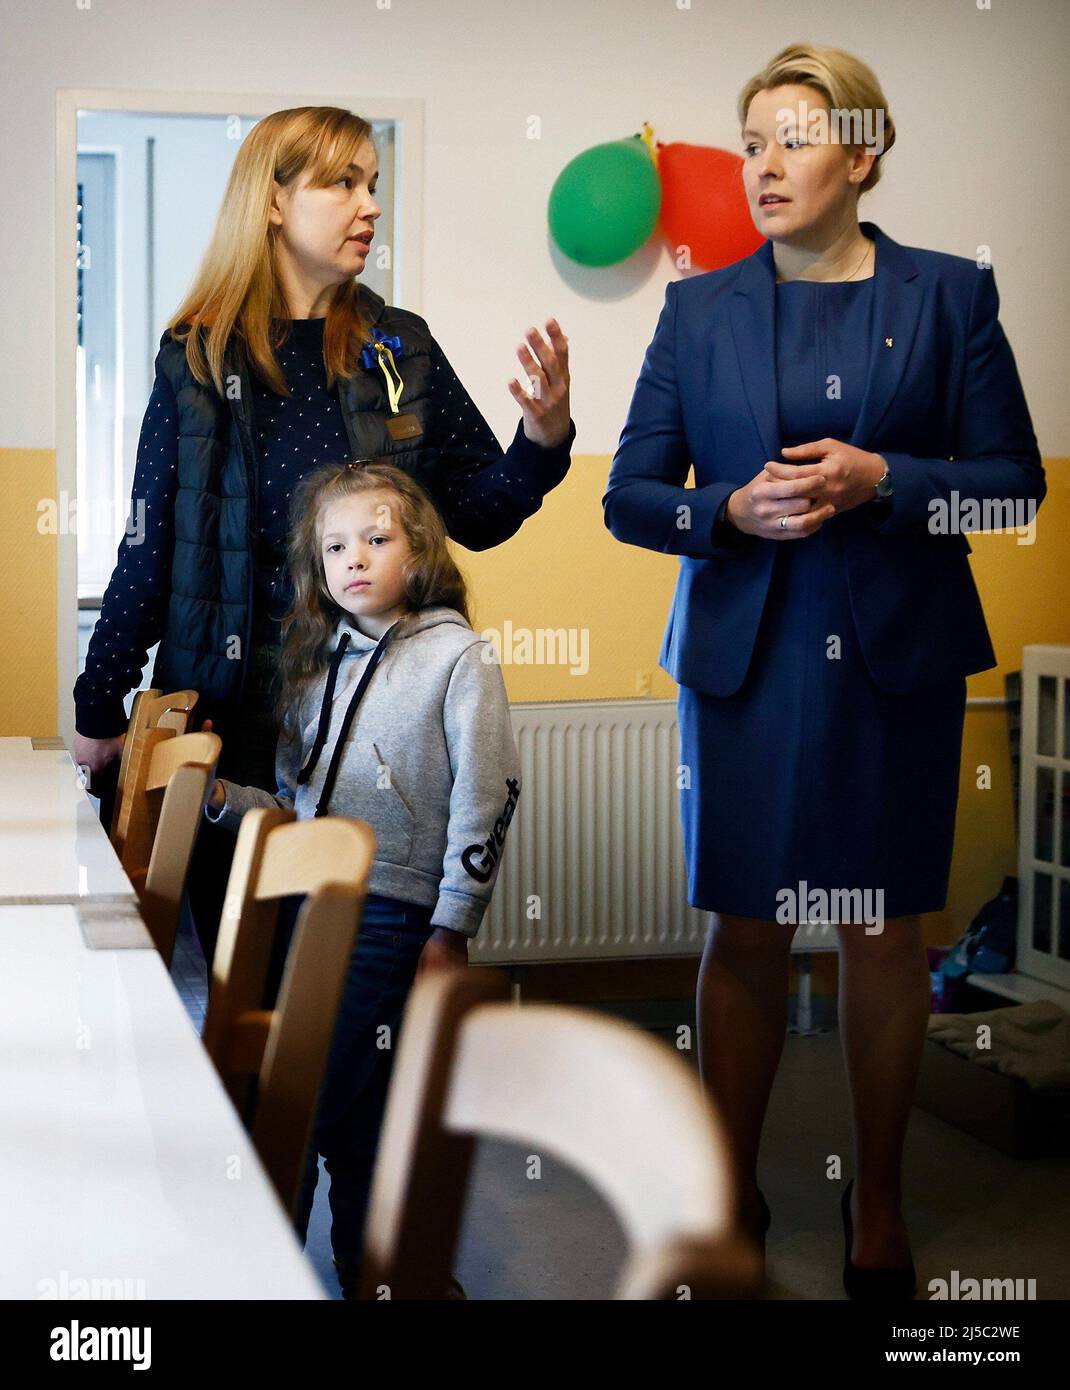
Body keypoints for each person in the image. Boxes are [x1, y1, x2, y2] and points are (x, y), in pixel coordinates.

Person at [602, 42, 1044, 1299]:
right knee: (741, 928)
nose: (762, 163)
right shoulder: (698, 309)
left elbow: (1008, 493)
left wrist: (886, 482)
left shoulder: (953, 296)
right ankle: (722, 1191)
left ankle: (880, 1207)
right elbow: (631, 496)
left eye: (792, 136)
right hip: (741, 657)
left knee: (875, 927)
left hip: (892, 664)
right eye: (749, 140)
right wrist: (725, 513)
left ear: (862, 152)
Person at [72, 105, 571, 966]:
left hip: (375, 732)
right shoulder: (193, 358)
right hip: (228, 722)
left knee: (352, 996)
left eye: (372, 184)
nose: (368, 205)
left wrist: (543, 440)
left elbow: (479, 517)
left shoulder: (398, 347)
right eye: (341, 183)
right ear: (272, 201)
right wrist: (98, 702)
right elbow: (148, 547)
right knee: (242, 988)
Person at [202, 459, 520, 1298]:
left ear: (420, 551)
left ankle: (330, 1268)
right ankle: (383, 1271)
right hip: (313, 909)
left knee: (318, 1096)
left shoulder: (459, 658)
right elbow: (295, 806)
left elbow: (488, 797)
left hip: (392, 913)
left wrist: (453, 925)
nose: (354, 559)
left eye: (376, 539)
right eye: (335, 545)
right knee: (348, 1106)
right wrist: (222, 802)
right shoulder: (318, 663)